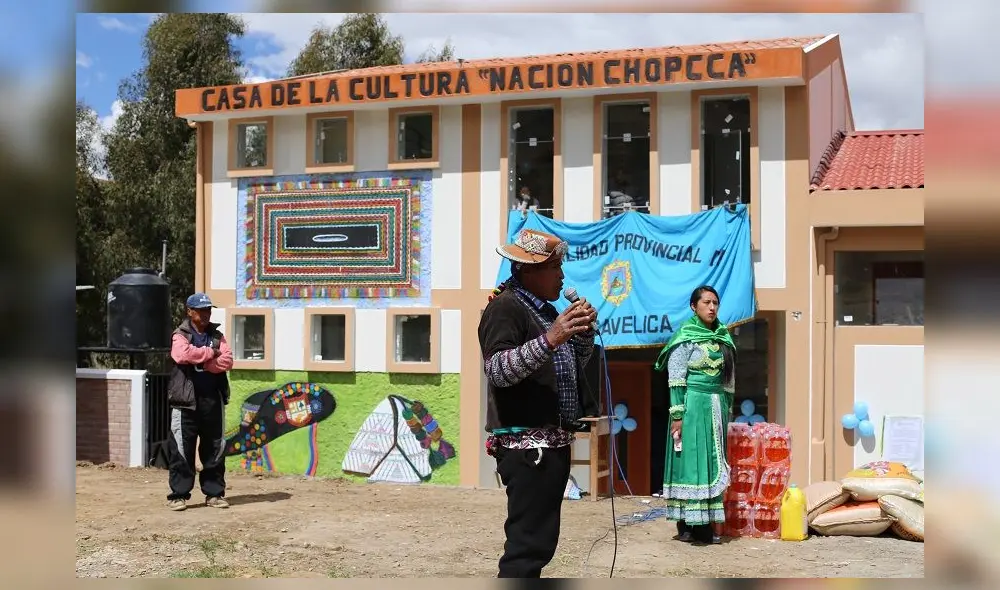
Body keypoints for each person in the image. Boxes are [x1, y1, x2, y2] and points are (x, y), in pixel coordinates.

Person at [478, 228, 598, 578]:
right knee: (526, 548)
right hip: (528, 448)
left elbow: (570, 363)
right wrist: (551, 338)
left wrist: (582, 334)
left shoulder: (544, 310)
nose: (562, 276)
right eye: (555, 268)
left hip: (552, 443)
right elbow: (497, 370)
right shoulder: (505, 308)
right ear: (529, 270)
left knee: (540, 543)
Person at [653, 285, 736, 544]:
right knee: (690, 463)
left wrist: (727, 410)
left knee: (711, 462)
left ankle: (702, 524)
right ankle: (692, 527)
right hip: (691, 408)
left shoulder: (723, 337)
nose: (712, 307)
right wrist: (678, 415)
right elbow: (676, 378)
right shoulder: (685, 336)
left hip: (715, 408)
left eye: (715, 303)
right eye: (706, 302)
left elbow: (728, 382)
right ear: (693, 306)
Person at [166, 292, 234, 511]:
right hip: (185, 401)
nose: (206, 314)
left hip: (212, 400)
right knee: (181, 449)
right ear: (190, 311)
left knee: (214, 448)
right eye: (201, 310)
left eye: (208, 310)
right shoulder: (180, 334)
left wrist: (204, 363)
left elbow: (227, 360)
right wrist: (211, 353)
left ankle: (214, 494)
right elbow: (181, 355)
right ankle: (179, 495)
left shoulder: (217, 335)